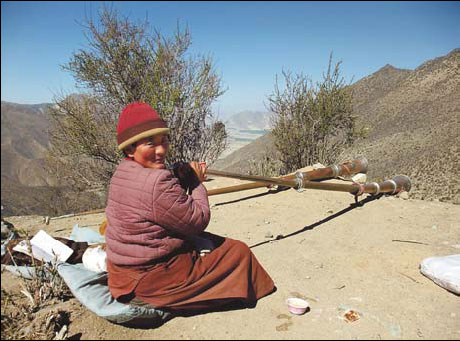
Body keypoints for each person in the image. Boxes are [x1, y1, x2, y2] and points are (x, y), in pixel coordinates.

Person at [105, 102, 275, 314]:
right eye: (151, 144)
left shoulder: (123, 171)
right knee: (238, 253)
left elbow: (156, 201)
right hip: (149, 281)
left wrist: (179, 175)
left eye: (164, 141)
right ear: (130, 148)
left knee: (209, 244)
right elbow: (198, 220)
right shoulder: (156, 182)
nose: (161, 150)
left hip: (121, 275)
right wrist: (196, 182)